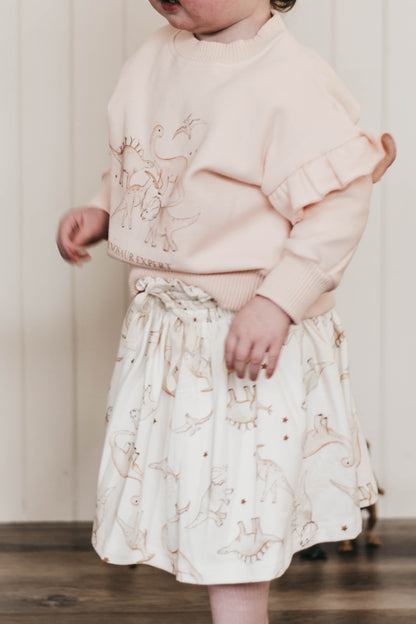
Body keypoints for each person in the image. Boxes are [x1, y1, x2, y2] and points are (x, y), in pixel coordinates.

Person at [56, 1, 396, 622]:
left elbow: (338, 202)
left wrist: (278, 300)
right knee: (200, 497)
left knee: (241, 504)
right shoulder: (155, 56)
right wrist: (107, 208)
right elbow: (152, 159)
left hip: (245, 335)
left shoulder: (287, 77)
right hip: (171, 330)